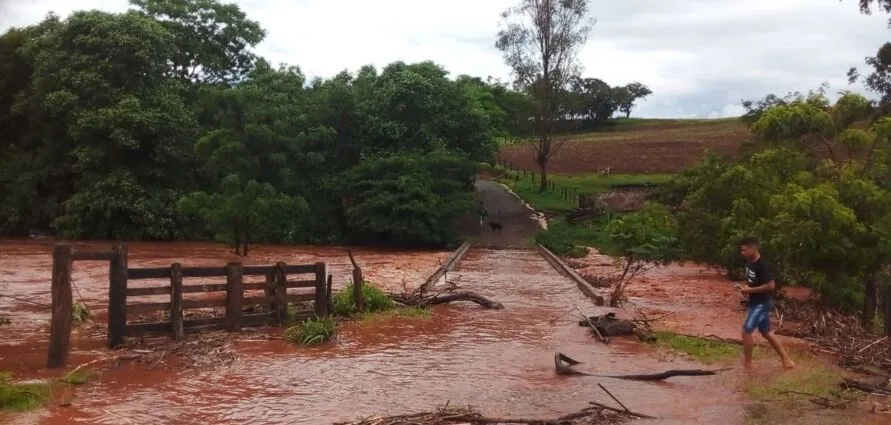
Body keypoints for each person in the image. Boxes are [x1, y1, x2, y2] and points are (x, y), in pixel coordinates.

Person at [736, 236, 795, 369]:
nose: (742, 253)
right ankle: (787, 360)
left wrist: (750, 290)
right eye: (742, 250)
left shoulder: (763, 265)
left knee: (746, 332)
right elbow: (752, 281)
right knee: (766, 332)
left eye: (745, 250)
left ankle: (748, 364)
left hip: (761, 304)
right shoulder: (749, 263)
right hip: (755, 302)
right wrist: (745, 290)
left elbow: (771, 285)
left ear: (754, 248)